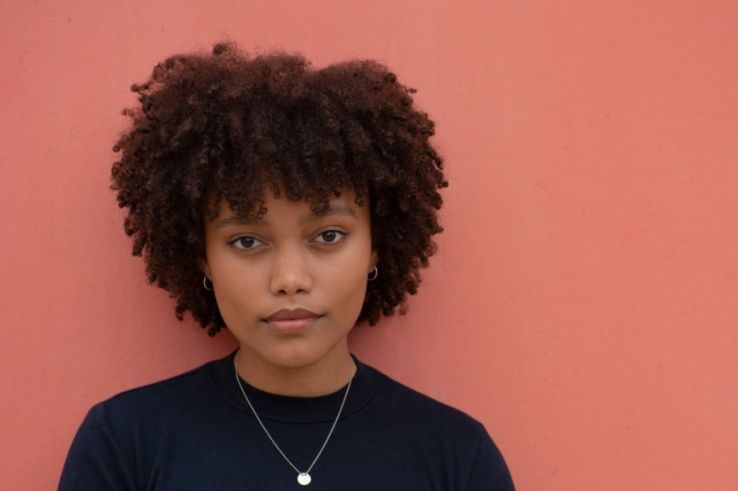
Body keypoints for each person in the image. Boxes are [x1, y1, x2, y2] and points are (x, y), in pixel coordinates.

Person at [58, 42, 514, 490]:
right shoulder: (124, 446)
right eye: (248, 241)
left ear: (377, 246)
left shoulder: (457, 457)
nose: (290, 279)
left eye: (329, 236)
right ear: (203, 258)